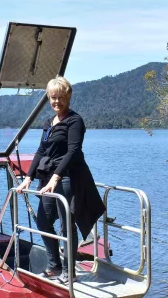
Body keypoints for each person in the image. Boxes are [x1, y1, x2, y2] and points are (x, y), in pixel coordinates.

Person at [15, 76, 105, 280]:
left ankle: (69, 270)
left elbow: (73, 151)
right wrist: (28, 177)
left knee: (67, 226)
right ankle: (54, 265)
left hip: (68, 178)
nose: (56, 102)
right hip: (49, 178)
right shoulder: (49, 122)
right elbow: (41, 150)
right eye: (53, 98)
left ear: (68, 96)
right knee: (43, 221)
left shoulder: (75, 121)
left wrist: (57, 177)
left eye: (60, 97)